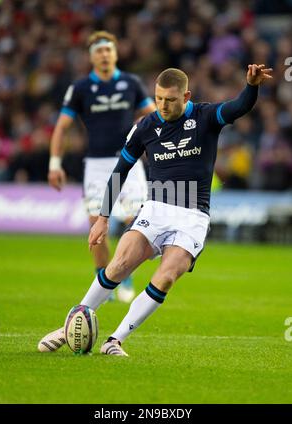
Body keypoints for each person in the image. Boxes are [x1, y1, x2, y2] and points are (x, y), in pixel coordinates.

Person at [39, 64, 272, 356]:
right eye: (159, 98)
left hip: (192, 216)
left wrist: (251, 86)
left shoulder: (206, 116)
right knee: (119, 265)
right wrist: (102, 218)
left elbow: (239, 106)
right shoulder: (146, 126)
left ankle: (115, 340)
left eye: (170, 99)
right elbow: (120, 171)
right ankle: (72, 324)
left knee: (167, 276)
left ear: (186, 96)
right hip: (156, 209)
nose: (163, 105)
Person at [38, 31, 155, 352]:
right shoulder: (80, 88)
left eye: (108, 49)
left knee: (136, 221)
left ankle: (126, 276)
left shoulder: (131, 83)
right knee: (96, 228)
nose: (104, 55)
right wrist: (54, 163)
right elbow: (62, 127)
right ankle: (103, 279)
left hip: (128, 162)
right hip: (95, 166)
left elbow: (151, 116)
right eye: (99, 51)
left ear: (116, 54)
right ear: (92, 57)